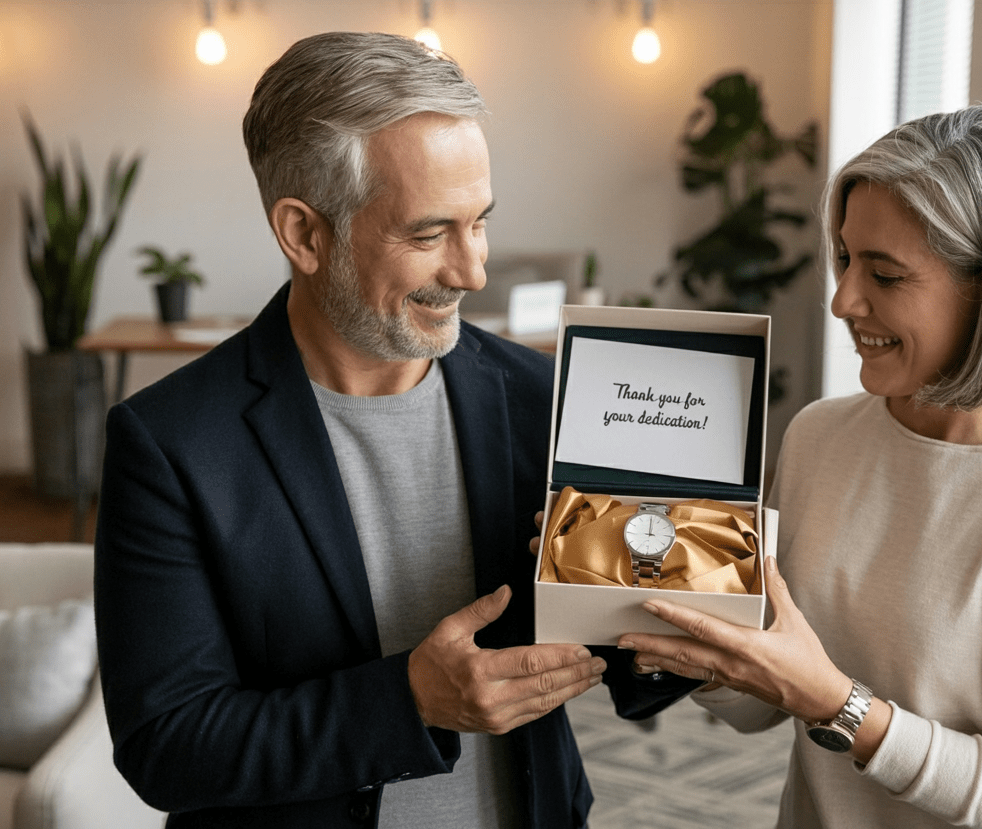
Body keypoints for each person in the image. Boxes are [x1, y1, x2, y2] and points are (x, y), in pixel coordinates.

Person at [94, 31, 695, 829]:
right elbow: (166, 744)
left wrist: (689, 598)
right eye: (427, 233)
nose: (472, 269)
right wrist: (409, 697)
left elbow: (626, 664)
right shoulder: (168, 442)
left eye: (480, 221)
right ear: (304, 234)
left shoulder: (546, 396)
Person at [618, 105, 982, 828]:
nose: (844, 299)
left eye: (886, 273)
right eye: (846, 258)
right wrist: (665, 604)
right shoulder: (820, 436)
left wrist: (836, 703)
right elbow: (760, 706)